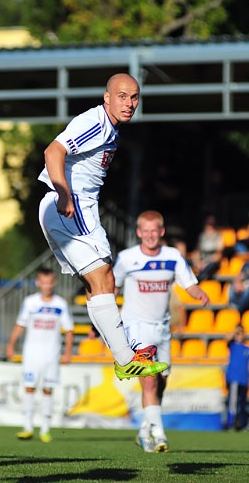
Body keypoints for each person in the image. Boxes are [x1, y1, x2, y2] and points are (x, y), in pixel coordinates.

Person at [38, 73, 167, 381]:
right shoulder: (96, 121)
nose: (130, 103)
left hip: (79, 206)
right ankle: (125, 358)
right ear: (107, 97)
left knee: (102, 284)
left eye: (134, 97)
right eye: (122, 96)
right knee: (103, 278)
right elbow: (53, 151)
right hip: (72, 204)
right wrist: (64, 193)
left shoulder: (109, 128)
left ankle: (124, 355)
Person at [113, 210, 210, 453]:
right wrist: (101, 322)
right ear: (138, 233)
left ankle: (145, 429)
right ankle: (159, 435)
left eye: (153, 231)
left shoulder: (173, 256)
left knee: (161, 382)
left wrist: (200, 294)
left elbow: (189, 283)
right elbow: (112, 289)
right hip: (136, 327)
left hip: (162, 328)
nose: (149, 236)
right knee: (149, 382)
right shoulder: (126, 258)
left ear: (161, 232)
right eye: (144, 231)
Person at [5, 267, 74, 443]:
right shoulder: (30, 302)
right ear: (37, 283)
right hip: (32, 353)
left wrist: (67, 353)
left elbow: (69, 330)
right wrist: (11, 345)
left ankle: (45, 429)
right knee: (29, 387)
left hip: (51, 354)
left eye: (49, 282)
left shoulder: (60, 304)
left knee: (47, 389)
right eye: (43, 282)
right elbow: (20, 324)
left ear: (54, 282)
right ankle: (27, 427)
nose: (46, 286)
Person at [224, 325, 249, 431]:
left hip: (244, 379)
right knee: (232, 402)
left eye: (241, 333)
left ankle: (242, 424)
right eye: (238, 334)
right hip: (234, 378)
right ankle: (230, 423)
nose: (240, 336)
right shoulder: (232, 345)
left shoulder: (247, 349)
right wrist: (235, 331)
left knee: (242, 403)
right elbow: (227, 338)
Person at [193, 215, 224, 281]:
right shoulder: (202, 236)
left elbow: (218, 256)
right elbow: (197, 252)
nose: (209, 227)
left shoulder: (218, 237)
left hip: (212, 263)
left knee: (210, 266)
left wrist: (205, 263)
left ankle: (198, 280)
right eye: (207, 225)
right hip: (202, 262)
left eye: (211, 225)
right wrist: (197, 262)